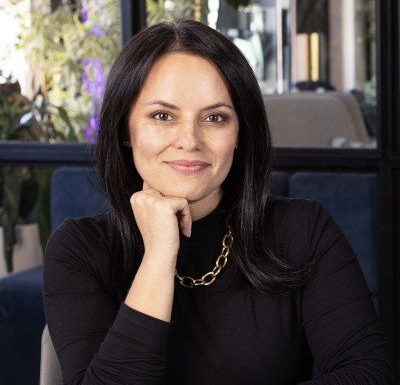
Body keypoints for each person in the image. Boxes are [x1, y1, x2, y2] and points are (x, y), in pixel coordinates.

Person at [43, 19, 398, 384]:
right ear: (125, 130)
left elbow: (370, 375)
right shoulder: (79, 250)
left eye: (215, 118)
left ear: (240, 131)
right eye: (162, 116)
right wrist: (159, 256)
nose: (189, 140)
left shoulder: (303, 230)